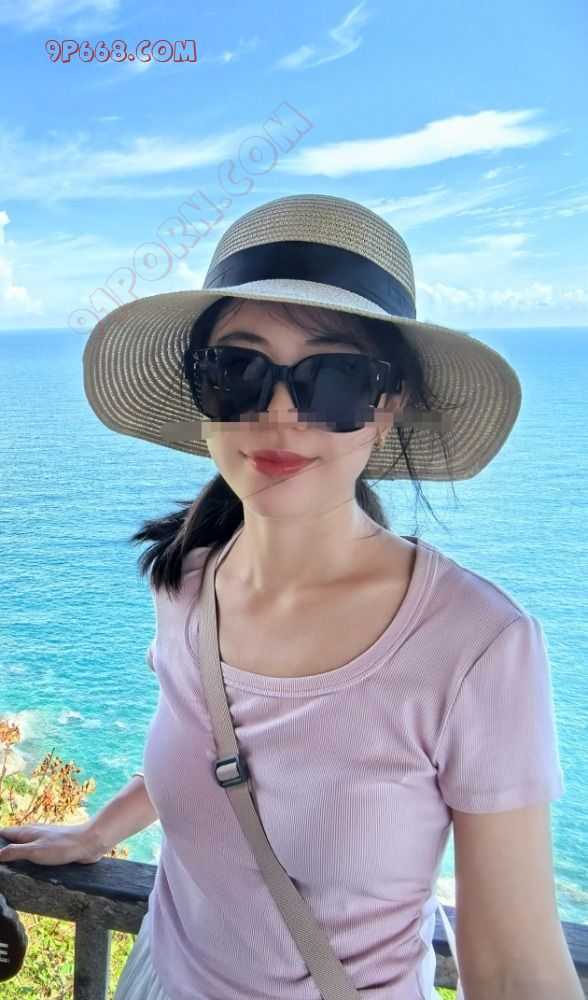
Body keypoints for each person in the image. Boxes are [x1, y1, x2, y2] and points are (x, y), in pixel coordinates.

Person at [0, 194, 571, 999]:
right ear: (200, 392)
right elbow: (210, 744)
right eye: (237, 370)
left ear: (388, 405)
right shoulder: (189, 581)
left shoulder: (477, 645)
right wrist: (99, 831)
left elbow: (516, 969)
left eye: (333, 377)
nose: (278, 412)